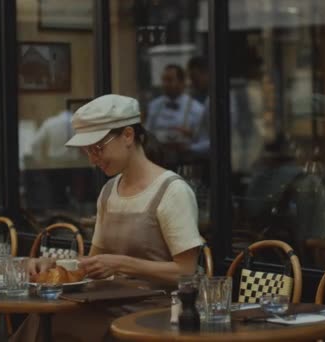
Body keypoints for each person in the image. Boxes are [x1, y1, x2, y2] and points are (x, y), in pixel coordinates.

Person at [11, 94, 204, 342]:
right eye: (87, 151)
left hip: (156, 312)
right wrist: (54, 266)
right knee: (44, 319)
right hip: (108, 302)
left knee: (55, 325)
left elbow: (187, 271)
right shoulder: (109, 191)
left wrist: (121, 264)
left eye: (98, 148)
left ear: (128, 135)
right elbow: (93, 263)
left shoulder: (172, 191)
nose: (92, 159)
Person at [145, 64, 207, 167]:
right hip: (158, 163)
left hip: (186, 164)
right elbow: (147, 133)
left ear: (182, 82)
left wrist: (189, 138)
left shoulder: (197, 109)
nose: (165, 84)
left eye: (169, 80)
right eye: (164, 80)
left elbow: (203, 139)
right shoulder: (154, 106)